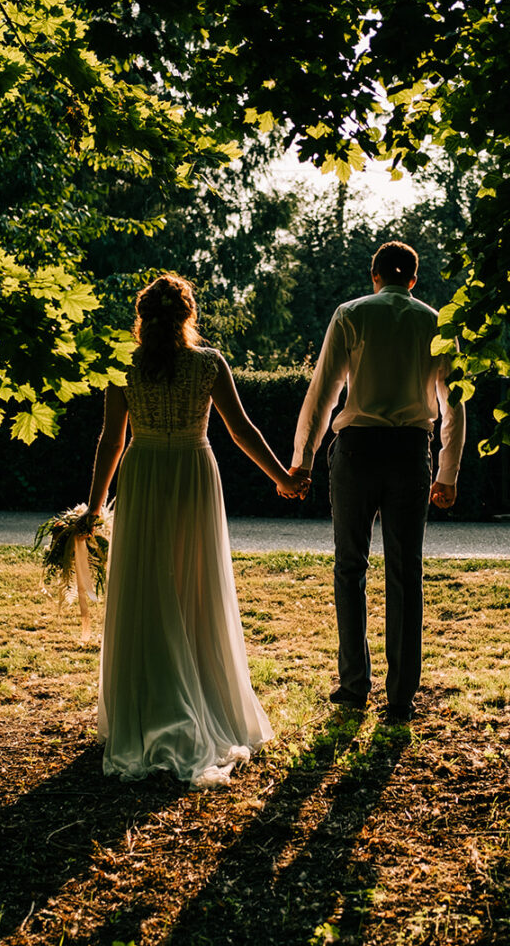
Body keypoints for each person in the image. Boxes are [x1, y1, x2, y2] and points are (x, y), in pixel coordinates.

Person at [83, 273, 308, 788]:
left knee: (144, 590)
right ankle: (201, 698)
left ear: (143, 318)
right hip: (192, 472)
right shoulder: (208, 363)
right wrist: (283, 479)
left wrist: (95, 508)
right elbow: (241, 429)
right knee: (193, 588)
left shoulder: (124, 366)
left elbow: (110, 443)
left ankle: (144, 708)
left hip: (142, 476)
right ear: (190, 316)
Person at [287, 241, 466, 725]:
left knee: (350, 566)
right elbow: (454, 404)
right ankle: (401, 696)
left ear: (374, 275)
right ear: (412, 279)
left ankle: (353, 687)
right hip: (410, 452)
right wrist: (447, 472)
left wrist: (301, 461)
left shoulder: (350, 315)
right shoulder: (436, 322)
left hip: (357, 451)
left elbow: (323, 392)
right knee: (406, 573)